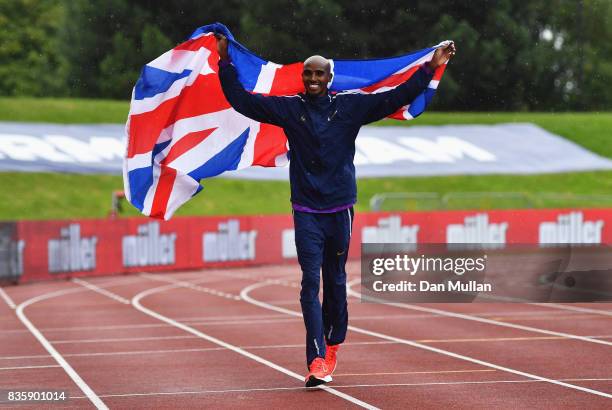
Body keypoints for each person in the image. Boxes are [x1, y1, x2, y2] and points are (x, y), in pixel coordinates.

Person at [215, 34, 455, 387]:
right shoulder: (290, 109)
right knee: (309, 284)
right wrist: (225, 61)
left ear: (329, 78)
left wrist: (431, 66)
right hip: (306, 211)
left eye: (318, 75)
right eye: (307, 75)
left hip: (340, 209)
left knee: (336, 280)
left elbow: (396, 96)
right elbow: (242, 102)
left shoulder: (351, 107)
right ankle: (315, 358)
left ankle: (333, 345)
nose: (312, 81)